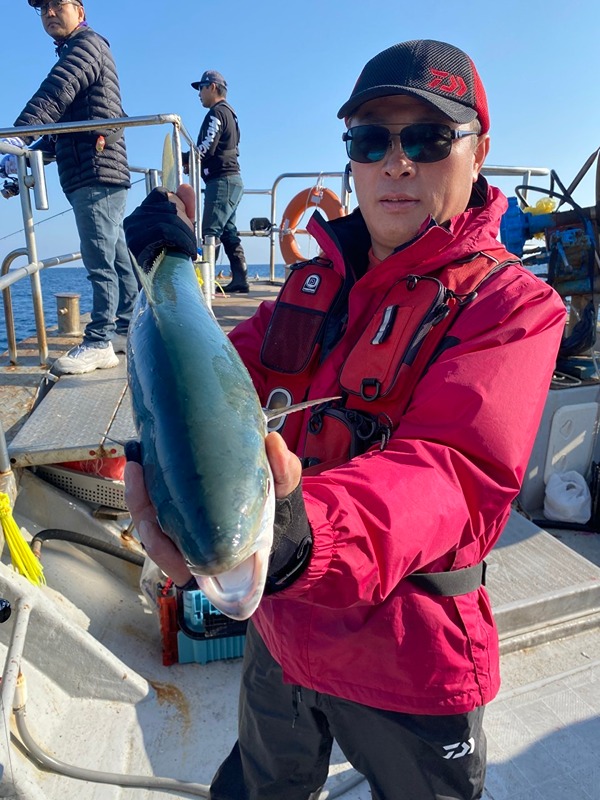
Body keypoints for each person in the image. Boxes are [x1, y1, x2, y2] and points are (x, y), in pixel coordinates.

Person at [123, 39, 566, 800]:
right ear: (352, 158)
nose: (396, 163)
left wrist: (303, 535)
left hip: (409, 652)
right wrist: (168, 269)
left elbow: (451, 474)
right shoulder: (311, 283)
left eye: (426, 138)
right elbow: (218, 386)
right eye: (371, 140)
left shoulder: (514, 308)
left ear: (479, 151)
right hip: (283, 631)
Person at [0, 0, 138, 375]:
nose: (48, 12)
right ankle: (127, 327)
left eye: (56, 3)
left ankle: (99, 342)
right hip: (98, 170)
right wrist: (25, 154)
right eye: (41, 8)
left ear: (78, 9)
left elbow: (55, 93)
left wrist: (16, 137)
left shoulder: (86, 46)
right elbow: (62, 128)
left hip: (96, 171)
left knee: (99, 260)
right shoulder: (81, 49)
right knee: (116, 254)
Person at [187, 69, 249, 293]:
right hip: (232, 180)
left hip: (222, 181)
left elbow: (206, 147)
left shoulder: (216, 113)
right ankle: (240, 279)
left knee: (210, 232)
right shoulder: (230, 114)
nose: (199, 94)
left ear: (212, 87)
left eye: (201, 88)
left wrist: (186, 159)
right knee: (228, 231)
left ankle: (202, 287)